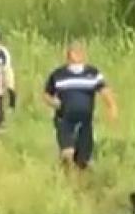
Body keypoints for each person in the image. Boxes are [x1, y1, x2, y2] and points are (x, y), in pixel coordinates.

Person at [42, 42, 118, 170]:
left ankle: (79, 183)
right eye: (74, 52)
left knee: (83, 159)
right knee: (68, 153)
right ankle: (66, 174)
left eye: (79, 52)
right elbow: (46, 94)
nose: (77, 56)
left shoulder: (92, 73)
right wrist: (53, 102)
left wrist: (112, 108)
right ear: (68, 55)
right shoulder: (58, 74)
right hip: (65, 119)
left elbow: (105, 91)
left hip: (85, 121)